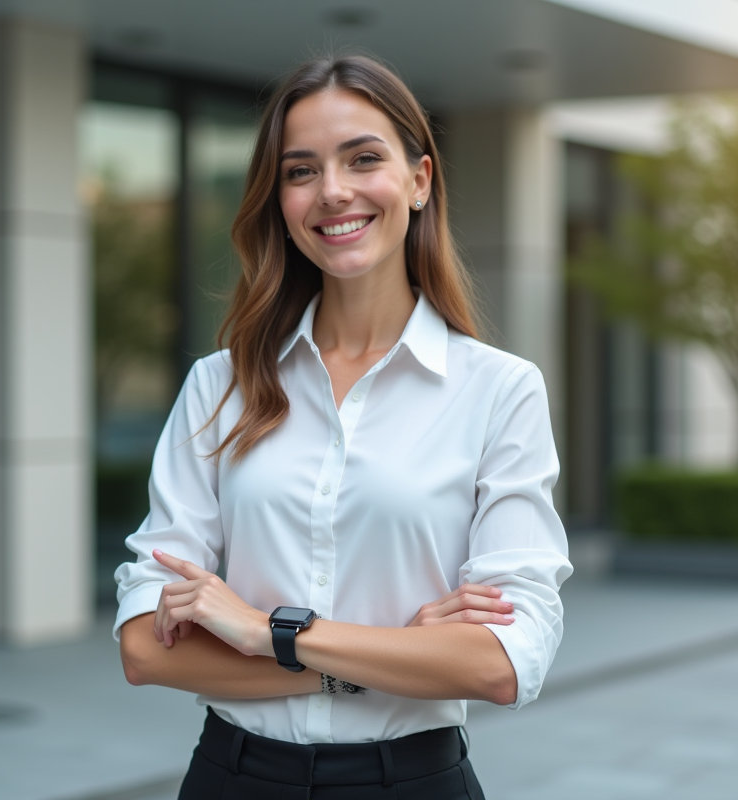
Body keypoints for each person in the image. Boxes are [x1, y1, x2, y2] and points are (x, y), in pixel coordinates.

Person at [114, 54, 572, 800]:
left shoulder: (499, 391)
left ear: (420, 180)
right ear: (279, 201)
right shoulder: (217, 385)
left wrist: (269, 631)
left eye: (363, 158)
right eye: (300, 171)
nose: (333, 192)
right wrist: (394, 654)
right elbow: (146, 648)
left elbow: (504, 663)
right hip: (234, 780)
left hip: (413, 783)